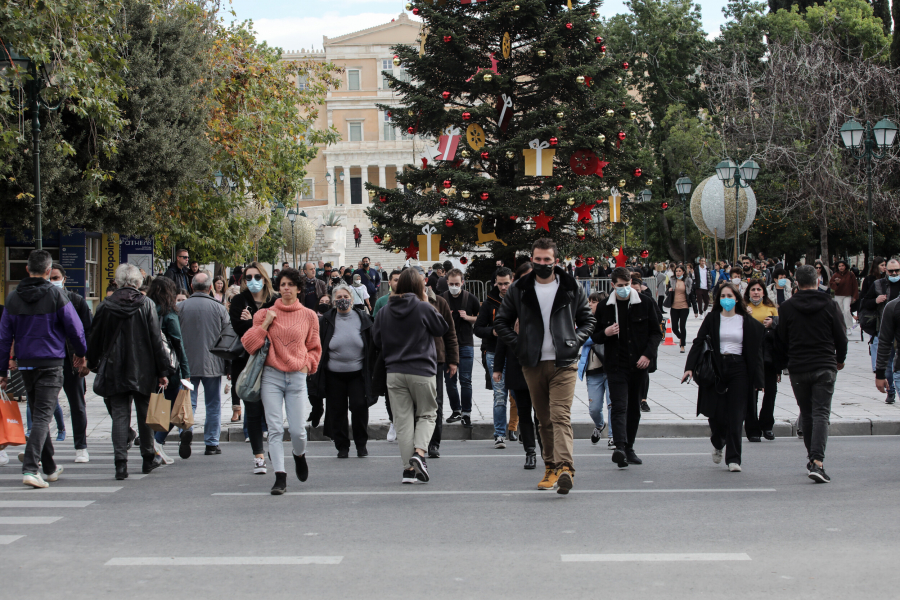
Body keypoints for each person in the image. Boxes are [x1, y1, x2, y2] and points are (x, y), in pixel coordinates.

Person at [494, 238, 595, 495]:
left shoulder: (571, 286)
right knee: (544, 419)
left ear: (555, 261)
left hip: (564, 362)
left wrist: (574, 342)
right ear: (532, 258)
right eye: (537, 259)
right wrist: (520, 345)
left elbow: (588, 320)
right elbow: (502, 322)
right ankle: (550, 467)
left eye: (546, 260)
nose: (541, 264)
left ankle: (565, 469)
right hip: (533, 363)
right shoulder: (519, 288)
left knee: (560, 415)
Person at [0, 251, 87, 488]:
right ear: (49, 272)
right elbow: (75, 328)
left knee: (39, 410)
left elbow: (4, 336)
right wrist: (81, 353)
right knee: (42, 415)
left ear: (27, 270)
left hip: (25, 364)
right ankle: (30, 467)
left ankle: (49, 467)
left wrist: (2, 371)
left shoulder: (12, 298)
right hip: (51, 362)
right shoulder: (56, 295)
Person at [242, 267, 321, 494]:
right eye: (282, 284)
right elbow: (249, 345)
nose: (286, 288)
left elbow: (315, 347)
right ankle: (280, 476)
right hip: (271, 376)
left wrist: (308, 365)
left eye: (290, 285)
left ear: (298, 288)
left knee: (298, 431)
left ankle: (299, 454)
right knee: (275, 429)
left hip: (297, 376)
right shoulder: (264, 314)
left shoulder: (309, 315)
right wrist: (265, 323)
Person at [88, 263, 170, 480]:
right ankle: (147, 458)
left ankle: (120, 463)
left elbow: (94, 338)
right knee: (145, 415)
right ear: (137, 283)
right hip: (144, 368)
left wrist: (92, 363)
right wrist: (163, 370)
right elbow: (155, 340)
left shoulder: (105, 306)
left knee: (120, 415)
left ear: (118, 282)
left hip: (115, 367)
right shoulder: (147, 305)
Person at [372, 268, 448, 485]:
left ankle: (408, 469)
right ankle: (420, 453)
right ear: (419, 287)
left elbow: (376, 339)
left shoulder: (385, 310)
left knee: (403, 421)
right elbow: (441, 328)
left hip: (394, 371)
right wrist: (426, 301)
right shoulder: (423, 307)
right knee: (427, 414)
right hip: (422, 370)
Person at [682, 283, 764, 472]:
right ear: (718, 299)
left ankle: (734, 458)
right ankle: (718, 441)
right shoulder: (712, 318)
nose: (726, 299)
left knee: (736, 415)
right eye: (722, 296)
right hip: (716, 369)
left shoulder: (746, 321)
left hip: (739, 369)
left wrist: (759, 381)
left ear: (737, 298)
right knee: (716, 414)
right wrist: (690, 367)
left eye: (730, 295)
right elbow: (699, 341)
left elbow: (756, 352)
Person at [776, 264, 847, 483]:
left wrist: (781, 365)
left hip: (798, 367)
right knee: (821, 414)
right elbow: (841, 336)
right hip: (824, 365)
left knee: (806, 413)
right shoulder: (830, 304)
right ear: (818, 281)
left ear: (796, 282)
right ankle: (817, 461)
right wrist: (840, 359)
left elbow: (781, 340)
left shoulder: (787, 307)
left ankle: (812, 458)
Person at [591, 267, 662, 470]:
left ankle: (629, 447)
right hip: (615, 365)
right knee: (619, 405)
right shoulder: (605, 306)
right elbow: (594, 336)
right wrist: (606, 331)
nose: (624, 289)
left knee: (633, 408)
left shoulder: (645, 303)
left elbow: (656, 333)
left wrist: (647, 355)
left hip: (638, 365)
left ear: (631, 283)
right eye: (620, 286)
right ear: (613, 285)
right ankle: (619, 447)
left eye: (627, 285)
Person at [312, 284, 375, 458]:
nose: (342, 300)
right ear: (333, 301)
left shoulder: (363, 318)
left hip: (358, 374)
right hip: (334, 375)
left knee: (359, 407)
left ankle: (361, 444)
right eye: (338, 298)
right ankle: (342, 446)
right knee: (337, 410)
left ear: (352, 300)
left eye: (345, 297)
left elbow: (371, 345)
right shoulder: (325, 320)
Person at [493, 262, 542, 469]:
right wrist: (497, 368)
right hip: (518, 363)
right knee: (523, 411)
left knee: (541, 414)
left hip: (541, 364)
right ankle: (530, 451)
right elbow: (501, 336)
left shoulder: (544, 300)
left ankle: (545, 449)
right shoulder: (512, 302)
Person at [229, 262, 276, 473]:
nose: (253, 281)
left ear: (265, 278)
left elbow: (280, 330)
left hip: (273, 361)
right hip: (247, 362)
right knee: (253, 410)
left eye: (257, 276)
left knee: (272, 411)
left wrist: (252, 322)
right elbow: (241, 330)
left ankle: (273, 449)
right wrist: (263, 323)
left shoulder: (274, 300)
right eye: (248, 277)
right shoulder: (239, 300)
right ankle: (258, 456)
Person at [177, 270, 230, 457]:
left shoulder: (180, 307)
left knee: (187, 402)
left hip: (186, 365)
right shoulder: (219, 308)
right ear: (209, 288)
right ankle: (212, 443)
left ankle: (185, 430)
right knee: (213, 403)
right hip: (213, 364)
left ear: (191, 286)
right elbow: (228, 337)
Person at [47, 263, 92, 462]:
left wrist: (85, 358)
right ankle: (41, 449)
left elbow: (87, 330)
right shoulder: (42, 301)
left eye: (56, 278)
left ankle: (81, 446)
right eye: (49, 277)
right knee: (44, 405)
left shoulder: (76, 301)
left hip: (72, 359)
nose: (52, 281)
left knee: (77, 403)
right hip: (49, 359)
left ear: (64, 279)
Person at [147, 277, 191, 465]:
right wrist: (185, 371)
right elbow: (178, 346)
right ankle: (157, 442)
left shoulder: (146, 310)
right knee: (174, 409)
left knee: (155, 406)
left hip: (149, 367)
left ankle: (154, 443)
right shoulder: (169, 315)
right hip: (169, 368)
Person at [419, 266, 459, 458]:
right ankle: (419, 442)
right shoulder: (404, 302)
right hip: (412, 360)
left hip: (436, 359)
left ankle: (434, 443)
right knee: (414, 404)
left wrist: (453, 360)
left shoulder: (439, 302)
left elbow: (450, 333)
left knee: (436, 402)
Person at [474, 267, 514, 433]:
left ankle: (515, 428)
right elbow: (477, 329)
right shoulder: (489, 302)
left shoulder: (518, 299)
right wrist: (492, 331)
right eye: (500, 284)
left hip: (515, 351)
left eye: (506, 284)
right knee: (499, 395)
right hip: (493, 351)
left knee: (519, 395)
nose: (503, 287)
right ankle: (499, 432)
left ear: (512, 281)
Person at [441, 268, 479, 425]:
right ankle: (456, 410)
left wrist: (468, 317)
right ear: (447, 283)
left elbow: (480, 319)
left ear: (462, 282)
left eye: (457, 283)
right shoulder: (442, 299)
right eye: (451, 283)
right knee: (449, 380)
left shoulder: (470, 298)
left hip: (465, 344)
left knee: (465, 380)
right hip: (447, 346)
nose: (454, 286)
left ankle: (466, 413)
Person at [744, 279, 780, 442]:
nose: (756, 292)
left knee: (770, 391)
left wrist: (773, 323)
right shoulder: (744, 308)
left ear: (764, 292)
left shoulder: (771, 308)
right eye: (753, 290)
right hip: (750, 355)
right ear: (748, 292)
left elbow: (781, 331)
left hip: (769, 356)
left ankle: (767, 425)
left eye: (759, 289)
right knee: (752, 393)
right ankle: (752, 428)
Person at [861, 258, 900, 403]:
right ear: (886, 271)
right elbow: (864, 302)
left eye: (897, 270)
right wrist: (876, 300)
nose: (895, 273)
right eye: (891, 271)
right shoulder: (878, 284)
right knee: (888, 362)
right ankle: (890, 391)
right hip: (885, 327)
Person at [579, 291, 610, 447]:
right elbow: (580, 339)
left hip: (611, 368)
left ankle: (613, 436)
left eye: (594, 301)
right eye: (589, 301)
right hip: (593, 369)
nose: (590, 304)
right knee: (594, 408)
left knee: (613, 405)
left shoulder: (610, 319)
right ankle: (599, 425)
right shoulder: (586, 321)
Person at [666, 265, 692, 353]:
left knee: (682, 326)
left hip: (684, 306)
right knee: (674, 328)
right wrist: (669, 290)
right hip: (674, 307)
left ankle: (682, 346)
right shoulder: (672, 280)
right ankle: (681, 337)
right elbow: (667, 292)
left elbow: (691, 294)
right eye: (676, 271)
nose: (678, 272)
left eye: (680, 271)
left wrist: (696, 310)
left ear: (683, 272)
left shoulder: (687, 281)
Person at [829, 260, 858, 335]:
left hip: (847, 295)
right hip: (838, 295)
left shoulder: (851, 274)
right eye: (839, 266)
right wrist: (837, 283)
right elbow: (832, 285)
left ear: (845, 266)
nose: (841, 267)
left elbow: (855, 286)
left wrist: (855, 296)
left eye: (842, 266)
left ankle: (848, 327)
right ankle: (841, 326)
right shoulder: (835, 275)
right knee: (840, 311)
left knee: (847, 310)